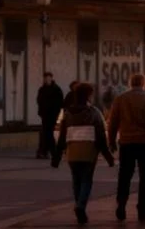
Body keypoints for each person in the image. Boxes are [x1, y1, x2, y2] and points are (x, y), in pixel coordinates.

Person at [53, 82, 115, 225]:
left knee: (76, 180)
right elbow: (100, 137)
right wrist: (108, 157)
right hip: (89, 152)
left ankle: (78, 205)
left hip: (72, 152)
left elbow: (62, 137)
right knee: (86, 180)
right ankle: (80, 206)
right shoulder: (93, 113)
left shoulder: (68, 114)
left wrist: (56, 158)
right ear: (89, 95)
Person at [108, 74, 145, 222]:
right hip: (144, 143)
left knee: (124, 175)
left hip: (126, 142)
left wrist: (111, 140)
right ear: (144, 84)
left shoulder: (120, 99)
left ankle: (121, 204)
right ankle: (142, 209)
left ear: (130, 83)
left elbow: (112, 122)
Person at [36, 72, 64, 159]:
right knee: (46, 133)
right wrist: (41, 112)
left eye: (48, 78)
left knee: (48, 133)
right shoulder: (42, 89)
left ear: (51, 78)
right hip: (44, 114)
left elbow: (60, 102)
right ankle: (47, 151)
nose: (46, 80)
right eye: (45, 78)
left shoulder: (56, 89)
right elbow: (39, 100)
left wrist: (56, 112)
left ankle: (51, 152)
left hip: (52, 114)